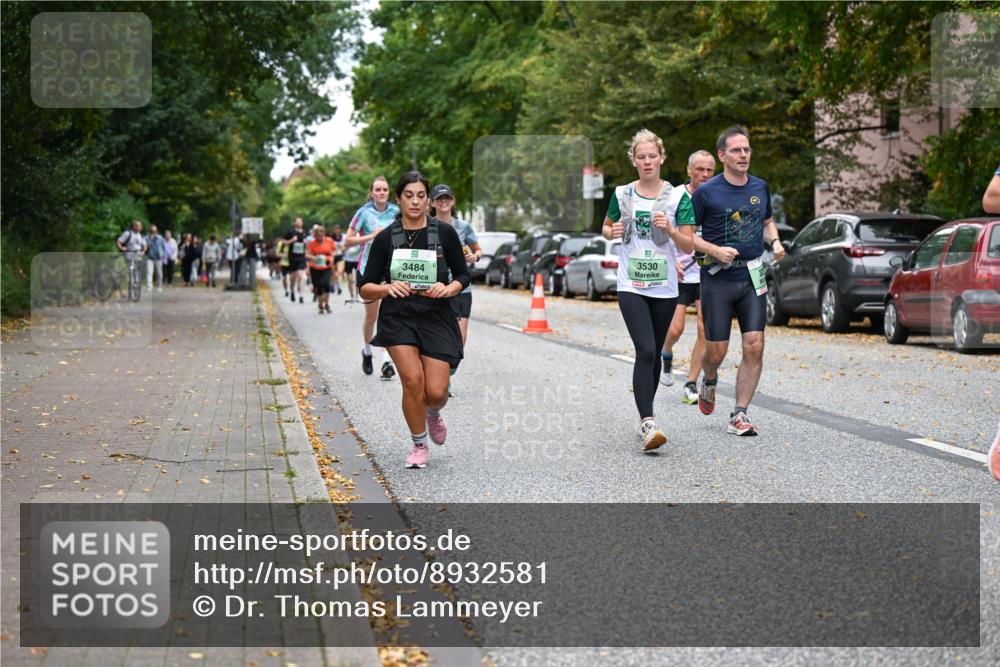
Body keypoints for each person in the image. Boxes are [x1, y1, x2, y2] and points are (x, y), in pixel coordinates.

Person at [678, 125, 785, 436]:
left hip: (752, 275)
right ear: (722, 155)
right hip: (717, 278)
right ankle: (709, 378)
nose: (743, 155)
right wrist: (714, 250)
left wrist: (775, 241)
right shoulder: (706, 192)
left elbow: (768, 221)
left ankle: (740, 413)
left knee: (755, 345)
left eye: (747, 149)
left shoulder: (760, 187)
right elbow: (686, 236)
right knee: (716, 351)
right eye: (736, 150)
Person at [359, 171, 470, 469]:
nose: (415, 201)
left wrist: (449, 288)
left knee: (435, 393)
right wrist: (386, 288)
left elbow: (463, 274)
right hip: (399, 316)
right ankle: (419, 444)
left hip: (436, 315)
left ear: (429, 200)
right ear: (398, 199)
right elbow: (365, 286)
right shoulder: (386, 238)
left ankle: (432, 413)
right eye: (409, 196)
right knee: (412, 381)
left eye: (421, 196)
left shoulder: (444, 233)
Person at [602, 129, 694, 452]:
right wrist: (611, 231)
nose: (647, 161)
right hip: (631, 284)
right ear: (634, 160)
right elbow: (606, 227)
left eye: (652, 156)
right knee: (644, 350)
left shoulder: (678, 198)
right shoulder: (622, 193)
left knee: (654, 352)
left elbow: (688, 243)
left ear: (661, 158)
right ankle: (648, 422)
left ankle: (646, 414)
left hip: (664, 287)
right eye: (641, 157)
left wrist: (670, 229)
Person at [660, 150, 715, 404]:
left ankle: (691, 382)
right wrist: (670, 263)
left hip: (707, 273)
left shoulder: (717, 196)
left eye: (710, 170)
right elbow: (659, 232)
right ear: (689, 170)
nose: (705, 175)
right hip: (679, 273)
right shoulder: (674, 197)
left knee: (705, 328)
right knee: (675, 329)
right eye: (700, 169)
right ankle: (666, 353)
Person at [345, 177, 401, 379]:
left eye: (385, 189)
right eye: (378, 189)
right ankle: (367, 351)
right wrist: (371, 237)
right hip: (368, 268)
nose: (382, 192)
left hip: (391, 268)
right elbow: (347, 241)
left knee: (388, 315)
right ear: (371, 193)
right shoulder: (363, 213)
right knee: (372, 316)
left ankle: (386, 360)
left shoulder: (396, 211)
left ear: (389, 192)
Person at [430, 183, 482, 396]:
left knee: (460, 339)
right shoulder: (427, 225)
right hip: (436, 288)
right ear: (432, 203)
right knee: (439, 335)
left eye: (447, 198)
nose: (443, 201)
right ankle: (441, 378)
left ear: (452, 201)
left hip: (461, 287)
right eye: (439, 198)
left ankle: (448, 372)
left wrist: (474, 256)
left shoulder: (463, 227)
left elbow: (478, 250)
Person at [307, 225, 335, 313]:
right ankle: (320, 305)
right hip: (315, 266)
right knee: (318, 285)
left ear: (324, 234)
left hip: (326, 265)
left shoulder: (329, 241)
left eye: (321, 235)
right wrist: (313, 257)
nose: (320, 237)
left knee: (326, 284)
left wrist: (331, 258)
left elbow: (334, 251)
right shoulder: (312, 243)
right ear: (315, 236)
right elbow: (307, 254)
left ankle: (326, 304)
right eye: (318, 236)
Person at [116, 220, 148, 291]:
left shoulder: (141, 235)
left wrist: (143, 251)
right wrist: (121, 248)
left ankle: (136, 282)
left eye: (140, 226)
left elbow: (145, 245)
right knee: (130, 269)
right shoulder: (128, 233)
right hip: (129, 254)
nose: (139, 227)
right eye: (137, 226)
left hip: (138, 255)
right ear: (134, 226)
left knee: (136, 269)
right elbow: (118, 241)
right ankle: (130, 282)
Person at [286, 217, 308, 303]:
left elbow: (307, 245)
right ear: (294, 223)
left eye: (301, 221)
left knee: (301, 276)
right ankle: (292, 290)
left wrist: (306, 244)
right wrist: (292, 240)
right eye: (298, 221)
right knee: (293, 277)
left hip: (301, 257)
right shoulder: (290, 232)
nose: (299, 223)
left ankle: (301, 295)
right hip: (293, 257)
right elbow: (284, 242)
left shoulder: (304, 232)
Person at [144, 225, 165, 292]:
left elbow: (163, 247)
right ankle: (149, 287)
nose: (153, 232)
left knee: (159, 273)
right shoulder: (146, 238)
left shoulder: (160, 238)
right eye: (152, 231)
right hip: (150, 257)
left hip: (158, 258)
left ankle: (160, 286)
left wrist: (163, 255)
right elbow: (146, 247)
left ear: (157, 231)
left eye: (154, 231)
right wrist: (151, 239)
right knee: (149, 272)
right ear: (150, 231)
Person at [330, 224, 345, 296]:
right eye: (335, 229)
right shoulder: (331, 238)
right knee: (333, 273)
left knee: (339, 271)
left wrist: (343, 248)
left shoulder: (343, 237)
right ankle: (334, 285)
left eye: (338, 229)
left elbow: (345, 246)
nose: (337, 231)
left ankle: (339, 287)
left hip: (339, 256)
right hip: (332, 256)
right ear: (333, 230)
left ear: (339, 230)